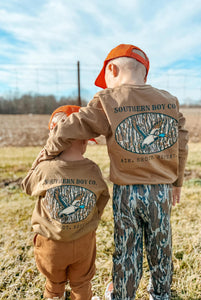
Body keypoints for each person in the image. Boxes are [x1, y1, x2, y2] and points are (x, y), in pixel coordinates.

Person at [35, 44, 189, 300]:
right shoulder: (169, 101)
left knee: (127, 249)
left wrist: (49, 149)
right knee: (160, 245)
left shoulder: (108, 100)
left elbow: (74, 125)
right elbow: (180, 142)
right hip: (160, 192)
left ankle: (122, 295)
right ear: (144, 74)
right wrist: (177, 182)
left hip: (126, 193)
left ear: (112, 69)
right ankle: (161, 295)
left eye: (105, 80)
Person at [22, 105, 109, 300]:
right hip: (83, 242)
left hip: (51, 245)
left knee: (54, 284)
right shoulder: (93, 170)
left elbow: (27, 186)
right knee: (81, 283)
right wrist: (89, 219)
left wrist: (39, 160)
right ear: (85, 140)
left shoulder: (44, 169)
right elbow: (102, 198)